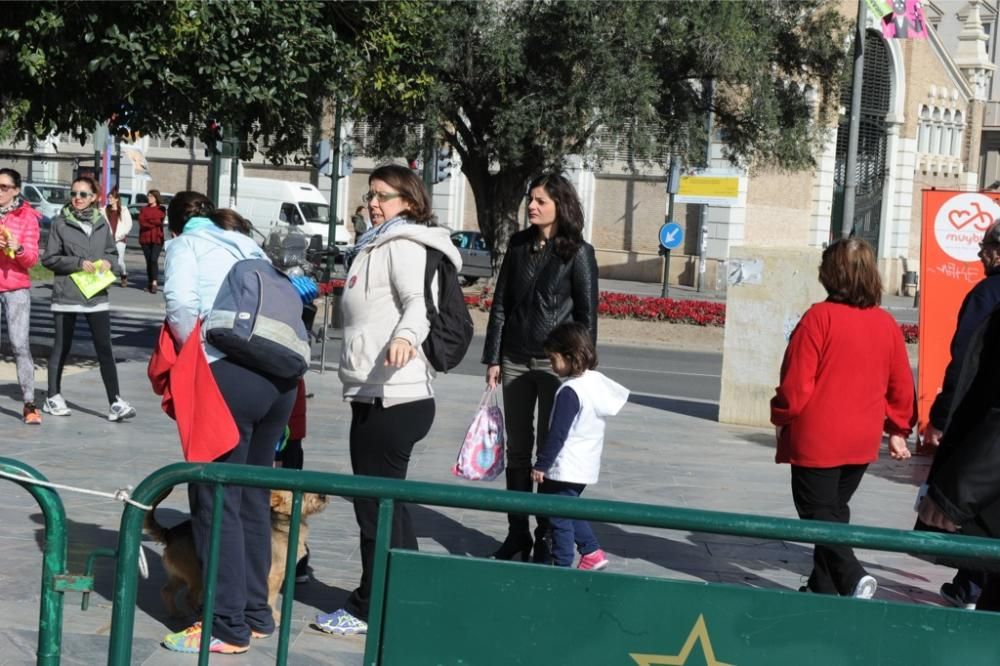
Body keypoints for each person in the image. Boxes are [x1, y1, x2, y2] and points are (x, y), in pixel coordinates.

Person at [314, 164, 461, 637]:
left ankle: (367, 607)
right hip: (373, 391)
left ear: (410, 202)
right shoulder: (374, 244)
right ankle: (406, 598)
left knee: (374, 510)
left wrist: (405, 337)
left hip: (394, 395)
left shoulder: (403, 244)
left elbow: (417, 303)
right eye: (371, 194)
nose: (373, 203)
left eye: (384, 196)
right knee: (387, 507)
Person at [161, 193, 298, 654]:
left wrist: (191, 357)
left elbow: (181, 307)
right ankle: (257, 615)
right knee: (252, 497)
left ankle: (225, 625)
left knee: (215, 499)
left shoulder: (184, 247)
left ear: (175, 225)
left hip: (227, 372)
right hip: (280, 380)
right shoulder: (249, 245)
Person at [770, 238, 915, 599]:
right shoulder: (885, 323)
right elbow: (901, 384)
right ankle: (822, 587)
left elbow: (796, 384)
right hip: (861, 439)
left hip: (818, 437)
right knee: (834, 511)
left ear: (830, 274)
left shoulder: (818, 318)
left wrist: (780, 414)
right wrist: (898, 429)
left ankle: (851, 576)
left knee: (817, 514)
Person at [482, 172, 599, 563]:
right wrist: (494, 358)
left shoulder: (578, 252)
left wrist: (580, 370)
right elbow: (500, 305)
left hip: (556, 366)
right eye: (530, 200)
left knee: (551, 452)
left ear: (559, 206)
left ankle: (549, 534)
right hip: (515, 359)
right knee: (517, 450)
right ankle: (518, 533)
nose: (531, 206)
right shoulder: (517, 245)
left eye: (540, 201)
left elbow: (587, 316)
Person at [918, 220, 1000, 608]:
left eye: (985, 248)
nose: (981, 255)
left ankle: (970, 586)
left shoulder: (987, 294)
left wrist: (942, 416)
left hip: (980, 424)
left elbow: (964, 362)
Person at [531, 322, 628, 570]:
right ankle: (592, 552)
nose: (551, 366)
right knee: (569, 508)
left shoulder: (570, 391)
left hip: (566, 466)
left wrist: (542, 464)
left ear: (571, 356)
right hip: (584, 465)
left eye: (553, 359)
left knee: (558, 514)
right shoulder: (594, 383)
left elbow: (558, 434)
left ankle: (562, 563)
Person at [41, 176, 135, 422]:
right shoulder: (60, 223)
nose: (77, 198)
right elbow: (49, 258)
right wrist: (77, 263)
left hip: (96, 293)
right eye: (74, 194)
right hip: (67, 293)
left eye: (83, 194)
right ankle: (53, 396)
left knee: (105, 348)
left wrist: (108, 262)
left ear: (94, 197)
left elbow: (112, 253)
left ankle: (115, 401)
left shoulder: (101, 223)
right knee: (62, 346)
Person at [0, 168, 42, 424]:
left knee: (19, 344)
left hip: (15, 287)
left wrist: (18, 248)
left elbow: (32, 259)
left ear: (16, 190)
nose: (0, 191)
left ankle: (29, 403)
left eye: (4, 187)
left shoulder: (27, 217)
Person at [138, 189, 165, 293]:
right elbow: (142, 222)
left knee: (154, 259)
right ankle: (150, 282)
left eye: (151, 196)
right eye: (148, 196)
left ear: (156, 197)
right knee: (148, 261)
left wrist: (149, 221)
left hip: (157, 238)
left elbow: (160, 219)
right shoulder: (144, 209)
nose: (149, 198)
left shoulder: (161, 209)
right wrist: (153, 223)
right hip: (145, 238)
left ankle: (154, 283)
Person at [105, 187, 133, 287]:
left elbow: (128, 225)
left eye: (111, 198)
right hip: (108, 239)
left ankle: (123, 275)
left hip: (120, 239)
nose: (109, 199)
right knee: (107, 260)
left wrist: (121, 235)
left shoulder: (124, 210)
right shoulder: (105, 210)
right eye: (109, 197)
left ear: (117, 199)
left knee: (119, 261)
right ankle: (107, 279)